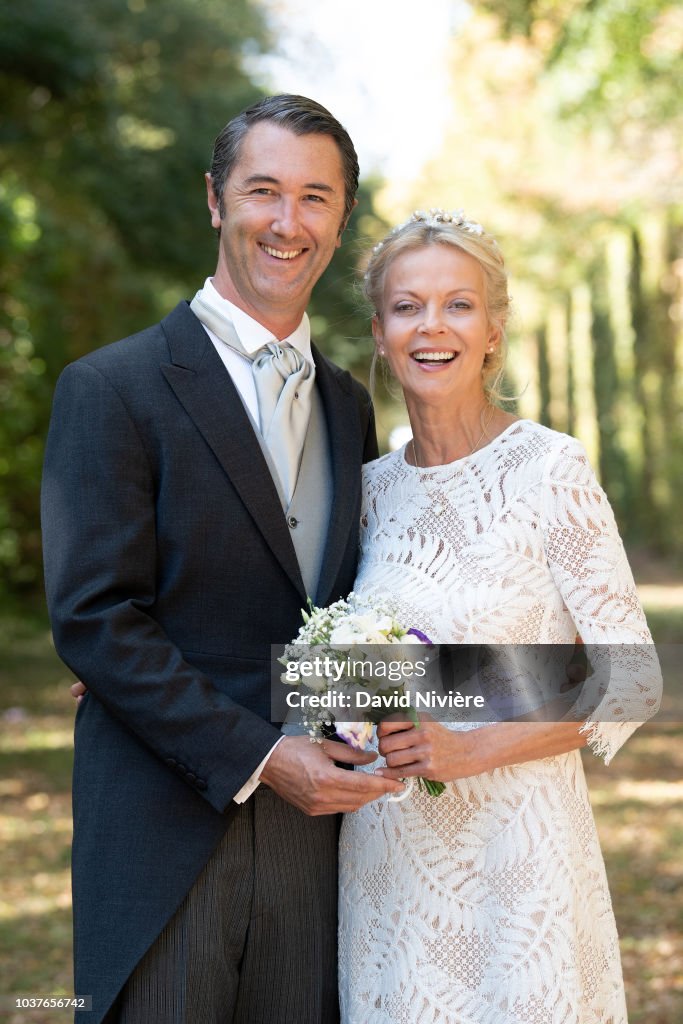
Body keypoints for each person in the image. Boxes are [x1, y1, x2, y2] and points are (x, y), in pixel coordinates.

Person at [41, 94, 404, 1024]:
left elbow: (355, 610)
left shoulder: (348, 406)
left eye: (315, 198)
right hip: (164, 829)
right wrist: (258, 752)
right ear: (214, 200)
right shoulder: (110, 388)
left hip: (317, 844)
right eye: (263, 191)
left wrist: (490, 709)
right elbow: (94, 617)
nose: (288, 223)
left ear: (341, 219)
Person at [337, 209, 662, 1024]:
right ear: (379, 333)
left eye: (458, 304)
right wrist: (149, 674)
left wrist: (472, 745)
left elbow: (631, 681)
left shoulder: (549, 467)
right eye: (407, 307)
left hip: (520, 863)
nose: (431, 326)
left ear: (492, 328)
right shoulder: (366, 493)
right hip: (387, 863)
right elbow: (337, 668)